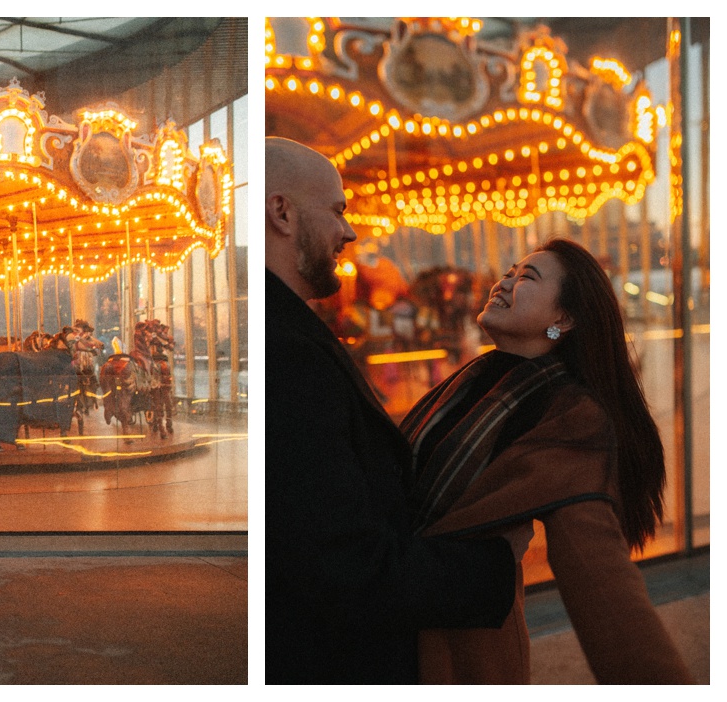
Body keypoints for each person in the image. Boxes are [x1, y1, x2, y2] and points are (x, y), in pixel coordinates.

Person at [264, 136, 525, 683]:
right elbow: (347, 567)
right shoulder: (288, 351)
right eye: (337, 211)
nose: (351, 232)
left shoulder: (289, 332)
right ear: (282, 213)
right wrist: (497, 563)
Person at [402, 238, 693, 683]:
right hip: (408, 622)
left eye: (527, 277)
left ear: (564, 318)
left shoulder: (571, 415)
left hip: (460, 652)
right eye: (510, 271)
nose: (504, 282)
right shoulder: (479, 377)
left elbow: (599, 575)